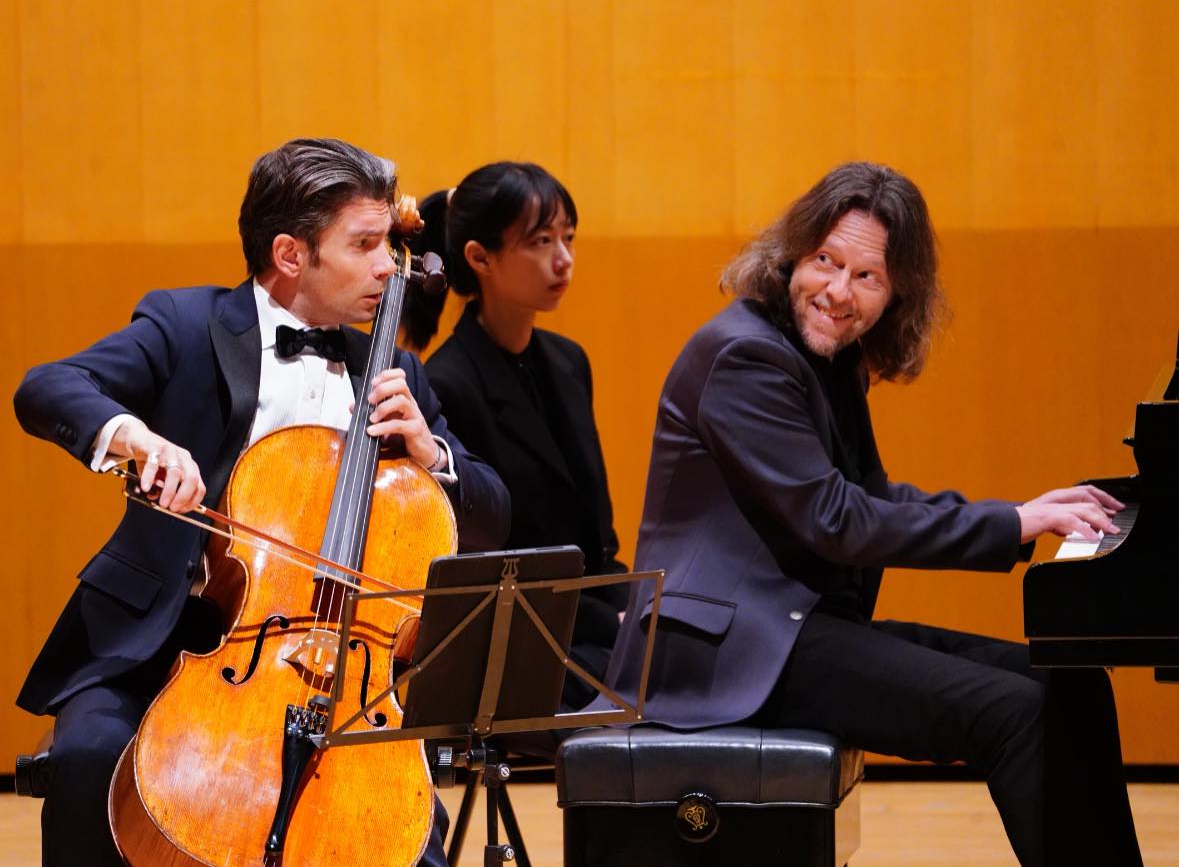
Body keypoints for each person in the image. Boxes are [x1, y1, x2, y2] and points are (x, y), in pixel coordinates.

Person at [598, 162, 1141, 867]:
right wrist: (1011, 526)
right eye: (825, 261)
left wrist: (1020, 511)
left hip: (786, 628)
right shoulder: (745, 356)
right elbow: (836, 519)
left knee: (1071, 683)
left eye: (866, 277)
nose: (836, 291)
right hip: (723, 656)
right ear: (792, 254)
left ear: (896, 296)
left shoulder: (828, 359)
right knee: (1015, 713)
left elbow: (870, 495)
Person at [13, 138, 511, 867]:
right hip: (158, 639)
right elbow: (48, 387)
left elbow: (492, 511)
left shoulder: (392, 371)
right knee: (91, 758)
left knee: (407, 835)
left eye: (387, 244)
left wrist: (431, 455)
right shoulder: (185, 324)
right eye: (364, 244)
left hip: (335, 666)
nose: (386, 266)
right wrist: (138, 441)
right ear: (289, 254)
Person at [403, 161, 627, 711]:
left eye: (568, 238)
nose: (563, 258)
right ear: (480, 258)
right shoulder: (448, 383)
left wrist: (636, 612)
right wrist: (617, 624)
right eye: (541, 241)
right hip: (527, 642)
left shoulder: (570, 362)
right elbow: (493, 560)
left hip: (595, 623)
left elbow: (597, 537)